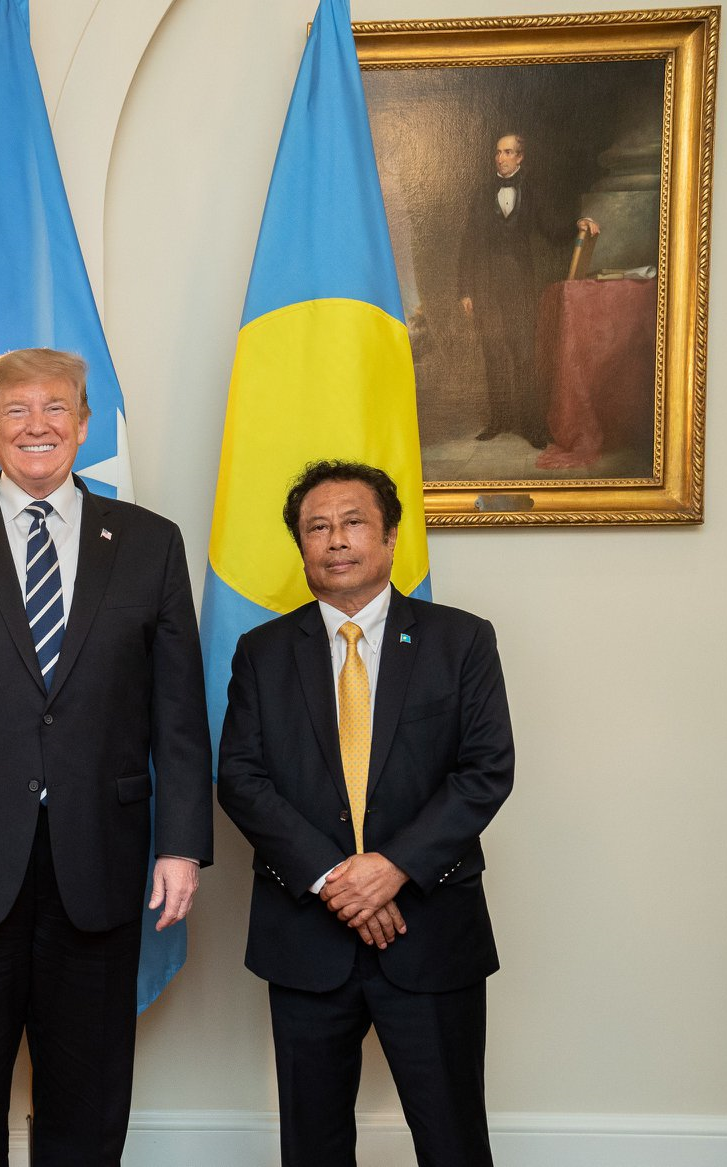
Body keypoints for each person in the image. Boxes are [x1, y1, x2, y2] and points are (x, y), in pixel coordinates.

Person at [0, 348, 212, 1166]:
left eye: (56, 407)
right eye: (14, 410)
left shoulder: (151, 544)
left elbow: (180, 712)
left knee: (86, 1108)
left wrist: (183, 842)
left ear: (85, 425)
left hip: (101, 863)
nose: (37, 425)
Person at [216, 460, 515, 1167]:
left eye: (353, 523)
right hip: (306, 936)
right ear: (301, 547)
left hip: (431, 932)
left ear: (389, 539)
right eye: (317, 528)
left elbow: (485, 771)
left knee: (452, 1141)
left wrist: (392, 868)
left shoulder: (460, 640)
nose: (336, 540)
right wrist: (335, 879)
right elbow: (241, 777)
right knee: (312, 1146)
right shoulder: (261, 654)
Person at [458, 133, 600, 447]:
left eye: (507, 152)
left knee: (523, 353)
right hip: (484, 283)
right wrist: (465, 290)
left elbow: (551, 230)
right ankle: (499, 421)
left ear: (520, 157)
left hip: (519, 283)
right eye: (497, 152)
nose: (500, 158)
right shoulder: (482, 193)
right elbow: (468, 243)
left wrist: (579, 222)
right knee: (492, 351)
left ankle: (531, 426)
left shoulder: (530, 191)